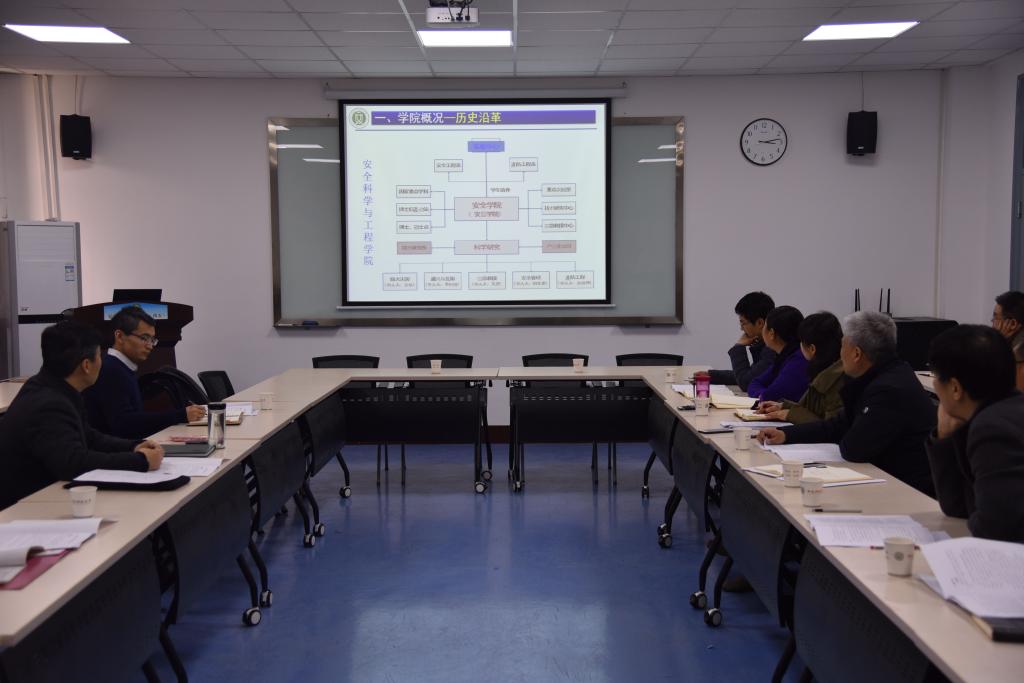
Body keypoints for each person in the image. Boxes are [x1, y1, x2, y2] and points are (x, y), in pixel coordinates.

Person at [757, 311, 936, 496]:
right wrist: (786, 434)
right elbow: (837, 425)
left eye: (842, 346)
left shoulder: (888, 390)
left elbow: (853, 448)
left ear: (856, 353)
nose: (840, 353)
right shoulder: (882, 376)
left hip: (907, 490)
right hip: (887, 480)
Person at [0, 321, 164, 510]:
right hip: (26, 508)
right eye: (99, 356)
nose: (102, 362)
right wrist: (140, 461)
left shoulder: (52, 387)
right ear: (86, 365)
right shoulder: (49, 404)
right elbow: (73, 463)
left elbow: (89, 436)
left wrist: (133, 446)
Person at [925, 325, 1024, 542]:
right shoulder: (1003, 410)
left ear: (955, 388)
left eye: (935, 376)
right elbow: (957, 508)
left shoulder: (993, 428)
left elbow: (994, 528)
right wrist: (944, 436)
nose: (934, 384)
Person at [84, 305, 205, 439]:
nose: (150, 345)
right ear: (120, 336)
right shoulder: (110, 369)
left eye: (152, 340)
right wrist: (180, 415)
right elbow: (123, 424)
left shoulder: (122, 367)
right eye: (144, 338)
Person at [758, 312, 845, 424]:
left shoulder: (834, 379)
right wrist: (784, 406)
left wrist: (790, 414)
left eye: (801, 342)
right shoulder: (827, 370)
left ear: (812, 349)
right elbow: (813, 411)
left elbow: (832, 426)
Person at [708, 291, 776, 392]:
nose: (741, 328)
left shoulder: (773, 349)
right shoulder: (765, 344)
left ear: (760, 323)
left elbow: (746, 382)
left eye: (743, 323)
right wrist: (711, 376)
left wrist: (738, 347)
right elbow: (749, 374)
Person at [746, 306, 808, 401]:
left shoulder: (798, 360)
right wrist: (763, 394)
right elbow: (754, 383)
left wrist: (763, 395)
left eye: (765, 326)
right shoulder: (784, 357)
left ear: (771, 333)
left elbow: (771, 396)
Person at [992, 290, 1024, 355]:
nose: (992, 323)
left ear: (1012, 324)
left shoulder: (1018, 354)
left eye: (996, 318)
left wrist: (999, 341)